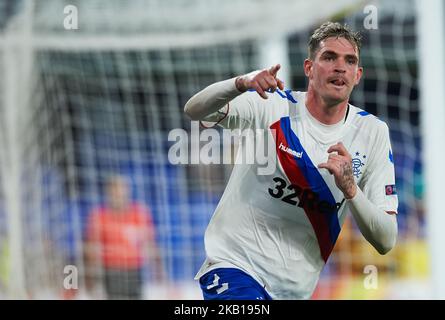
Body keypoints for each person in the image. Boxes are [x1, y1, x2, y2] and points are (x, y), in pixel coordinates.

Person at [184, 21, 398, 300]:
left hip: (293, 291)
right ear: (309, 68)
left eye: (349, 61)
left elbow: (386, 240)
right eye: (329, 57)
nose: (339, 67)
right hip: (234, 267)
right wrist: (241, 83)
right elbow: (195, 110)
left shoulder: (373, 133)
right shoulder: (271, 105)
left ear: (357, 75)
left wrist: (351, 189)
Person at [85, 175, 164, 299]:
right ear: (109, 193)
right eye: (115, 191)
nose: (118, 194)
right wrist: (91, 277)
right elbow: (92, 248)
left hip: (134, 270)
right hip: (111, 271)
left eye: (122, 190)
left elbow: (150, 244)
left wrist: (159, 271)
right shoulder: (99, 216)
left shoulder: (140, 213)